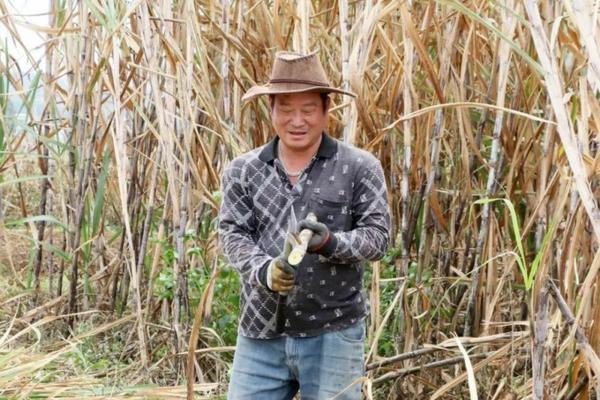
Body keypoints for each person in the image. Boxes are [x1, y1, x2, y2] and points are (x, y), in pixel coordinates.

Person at [218, 51, 390, 400]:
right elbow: (232, 235)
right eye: (286, 109)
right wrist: (266, 271)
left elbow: (378, 238)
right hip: (260, 331)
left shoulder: (359, 167)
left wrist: (330, 243)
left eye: (308, 109)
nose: (297, 120)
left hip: (333, 331)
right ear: (271, 110)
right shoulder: (243, 170)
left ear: (327, 111)